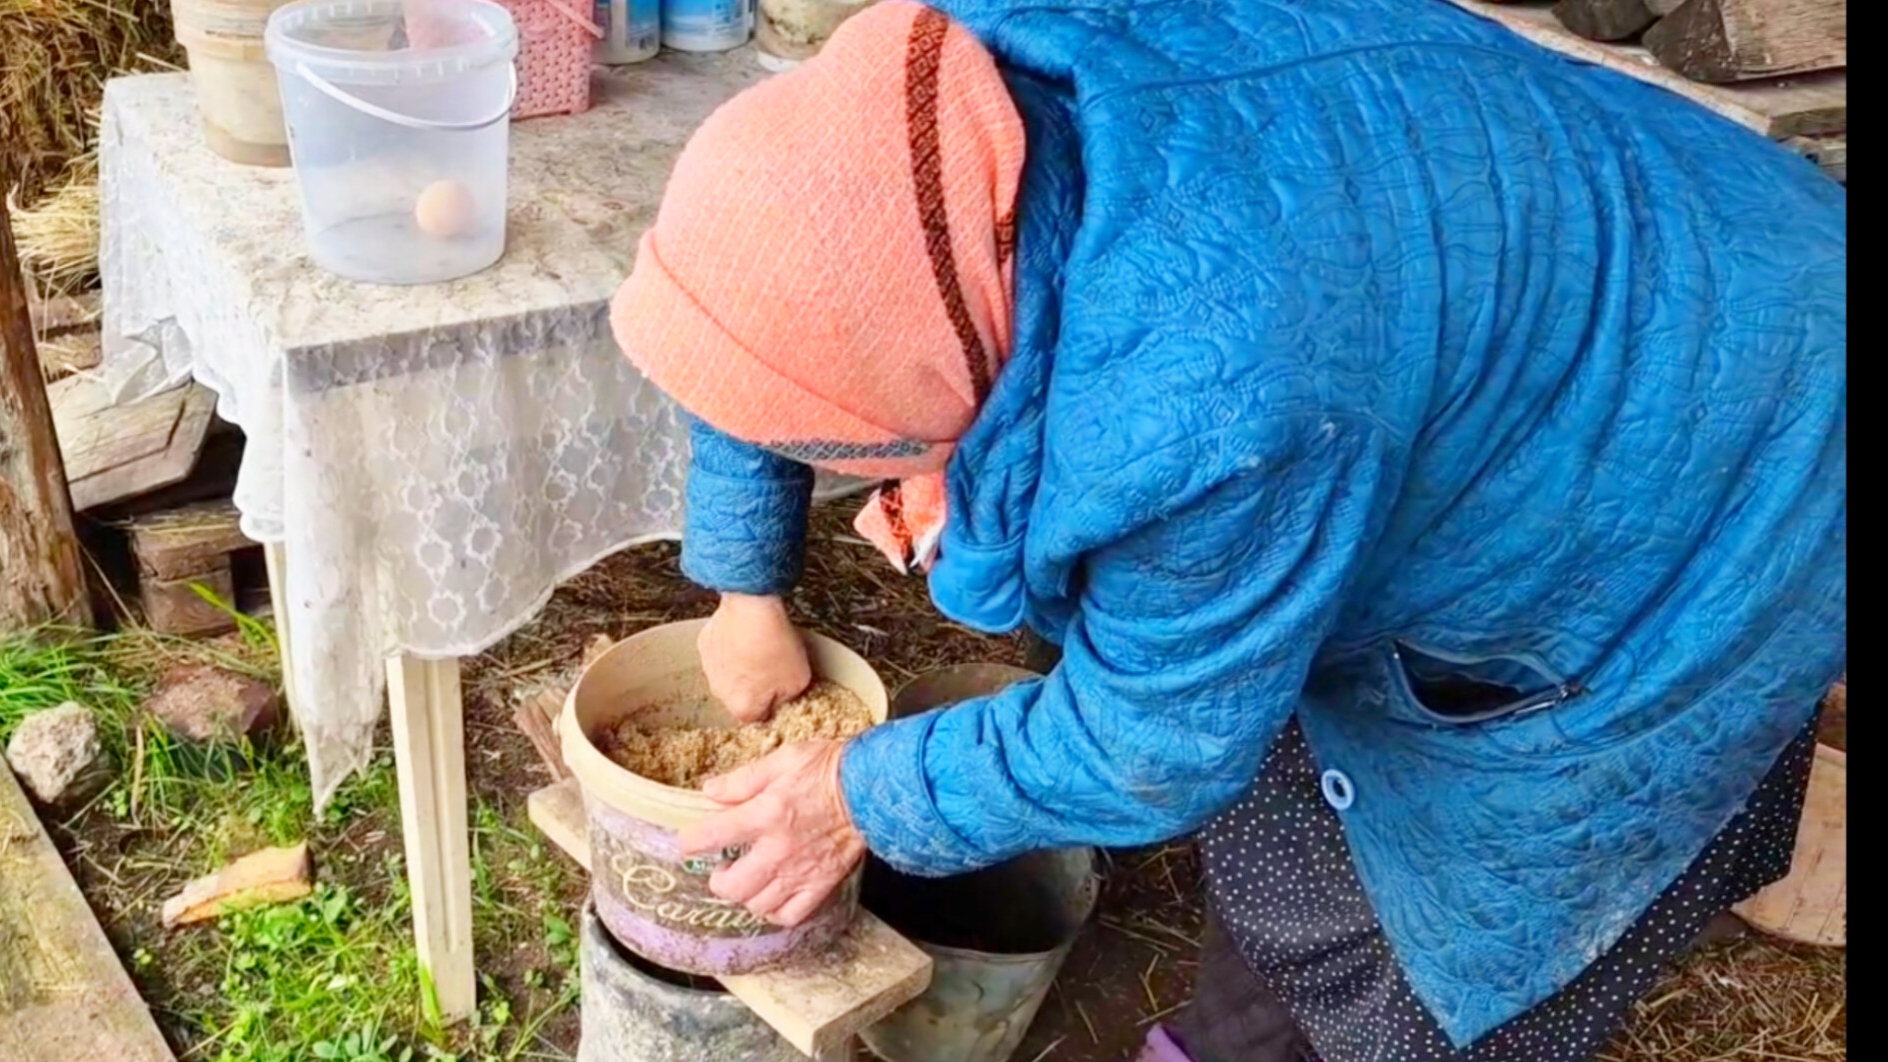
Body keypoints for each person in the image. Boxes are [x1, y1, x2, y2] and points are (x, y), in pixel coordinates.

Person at [607, 2, 1847, 1060]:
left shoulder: (1206, 407)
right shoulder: (939, 104)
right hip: (1518, 237)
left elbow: (1156, 741)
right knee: (1292, 803)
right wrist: (744, 583)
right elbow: (773, 296)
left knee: (1448, 920)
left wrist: (858, 798)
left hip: (1730, 418)